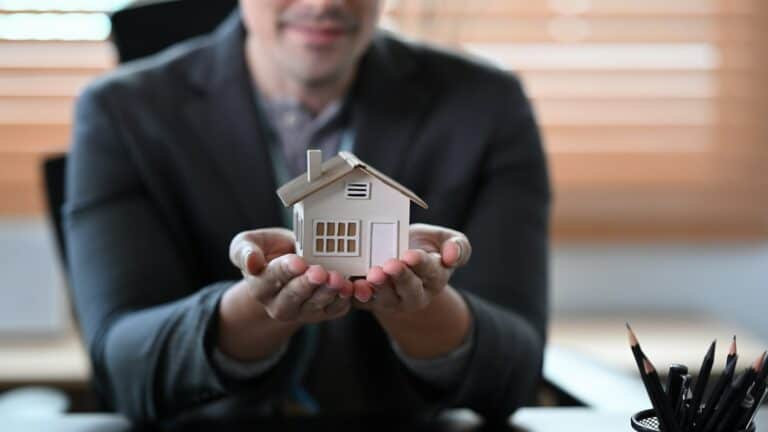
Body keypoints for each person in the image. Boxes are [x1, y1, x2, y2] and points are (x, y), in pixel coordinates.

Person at [64, 0, 550, 423]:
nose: (322, 3)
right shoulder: (120, 111)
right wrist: (255, 310)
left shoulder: (488, 104)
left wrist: (421, 309)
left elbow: (514, 375)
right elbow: (123, 369)